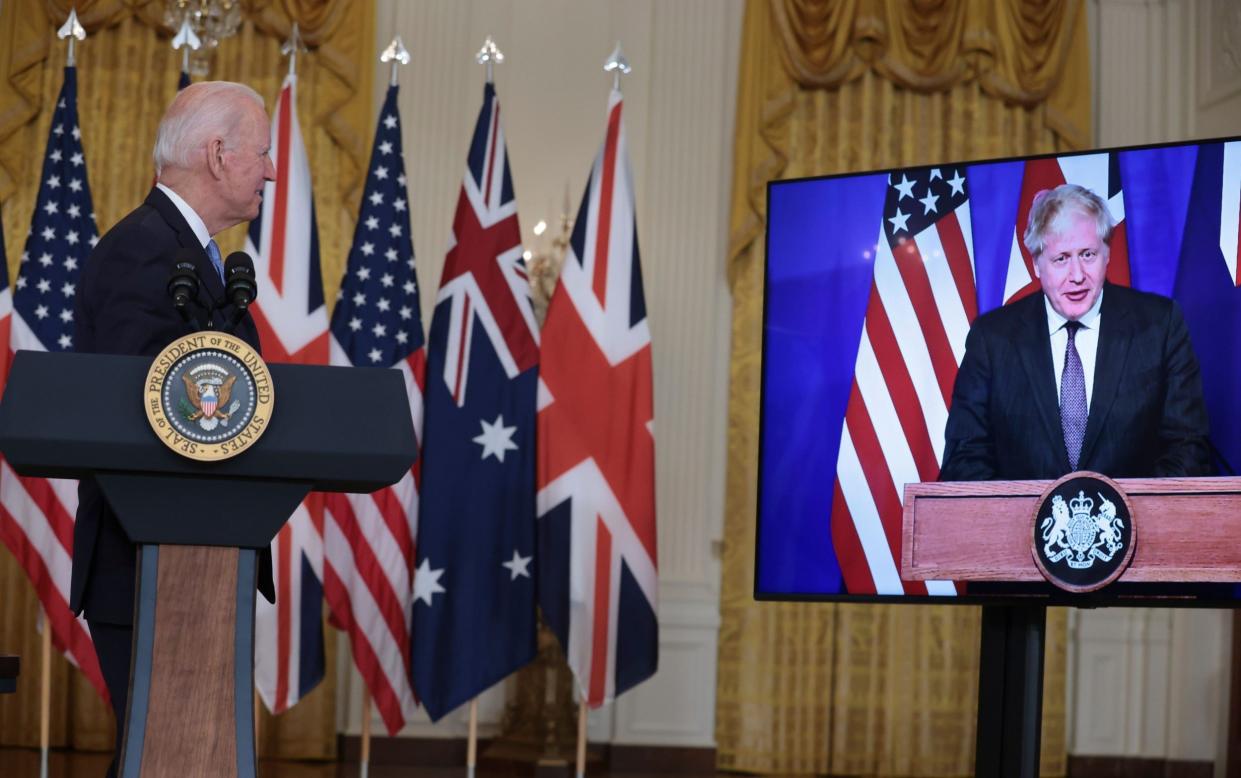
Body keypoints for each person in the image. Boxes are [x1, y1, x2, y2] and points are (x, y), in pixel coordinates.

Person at [71, 81, 275, 777]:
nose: (271, 171)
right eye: (263, 153)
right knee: (163, 755)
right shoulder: (143, 252)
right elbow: (133, 411)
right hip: (146, 563)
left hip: (195, 560)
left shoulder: (194, 256)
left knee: (180, 755)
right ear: (218, 155)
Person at [939, 183, 1212, 481]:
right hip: (1021, 527)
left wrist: (1126, 521)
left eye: (1087, 255)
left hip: (1137, 525)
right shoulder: (991, 339)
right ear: (1036, 265)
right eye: (1061, 259)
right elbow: (964, 458)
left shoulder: (1160, 326)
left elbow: (1187, 450)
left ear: (1107, 254)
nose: (1077, 276)